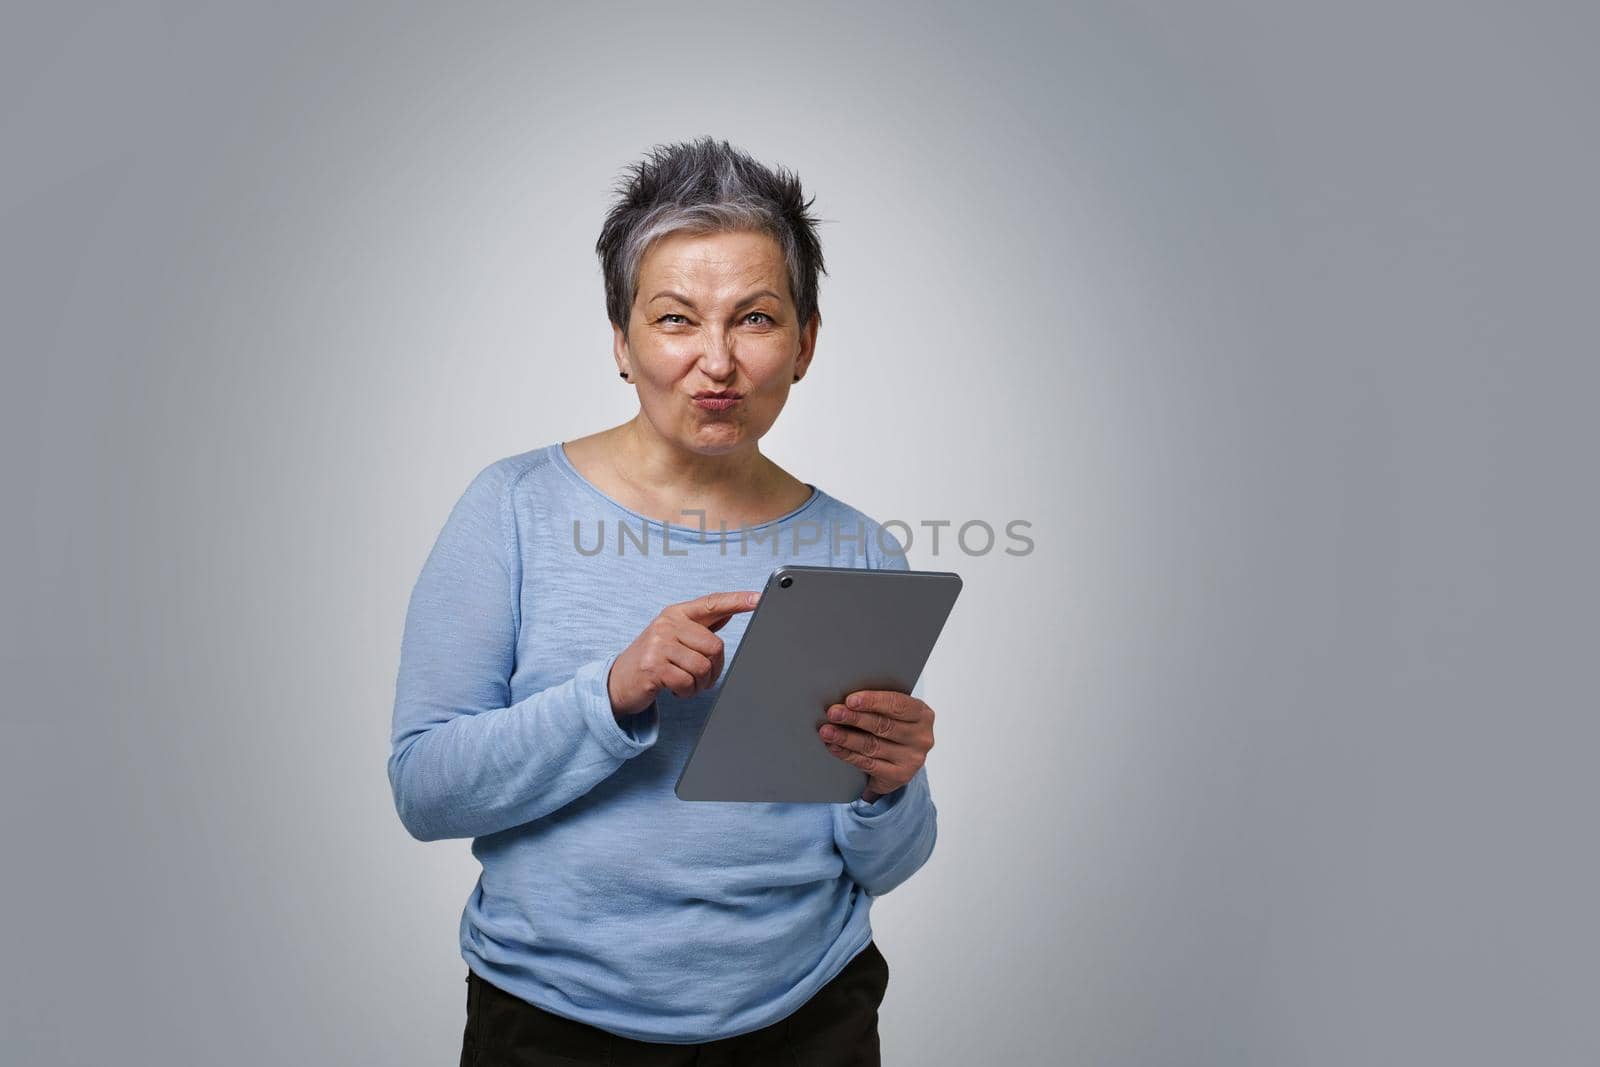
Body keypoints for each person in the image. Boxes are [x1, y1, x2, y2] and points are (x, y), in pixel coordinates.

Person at [388, 137, 940, 1066]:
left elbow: (885, 865)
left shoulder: (859, 550)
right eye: (677, 319)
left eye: (756, 319)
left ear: (805, 342)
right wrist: (609, 691)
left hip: (810, 1017)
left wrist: (892, 785)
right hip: (552, 1018)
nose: (716, 361)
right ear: (622, 339)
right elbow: (425, 790)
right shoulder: (514, 508)